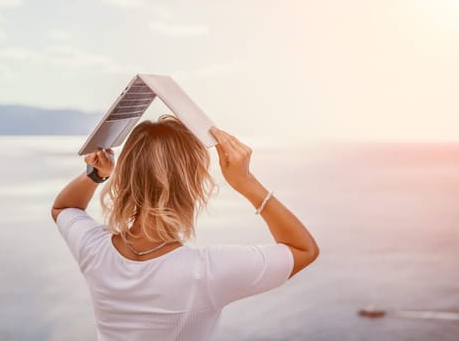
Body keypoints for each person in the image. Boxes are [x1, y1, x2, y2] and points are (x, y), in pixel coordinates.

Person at [51, 115, 319, 341]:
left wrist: (97, 174)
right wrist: (246, 182)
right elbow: (303, 249)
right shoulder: (207, 273)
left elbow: (64, 209)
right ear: (192, 186)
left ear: (126, 177)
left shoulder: (94, 250)